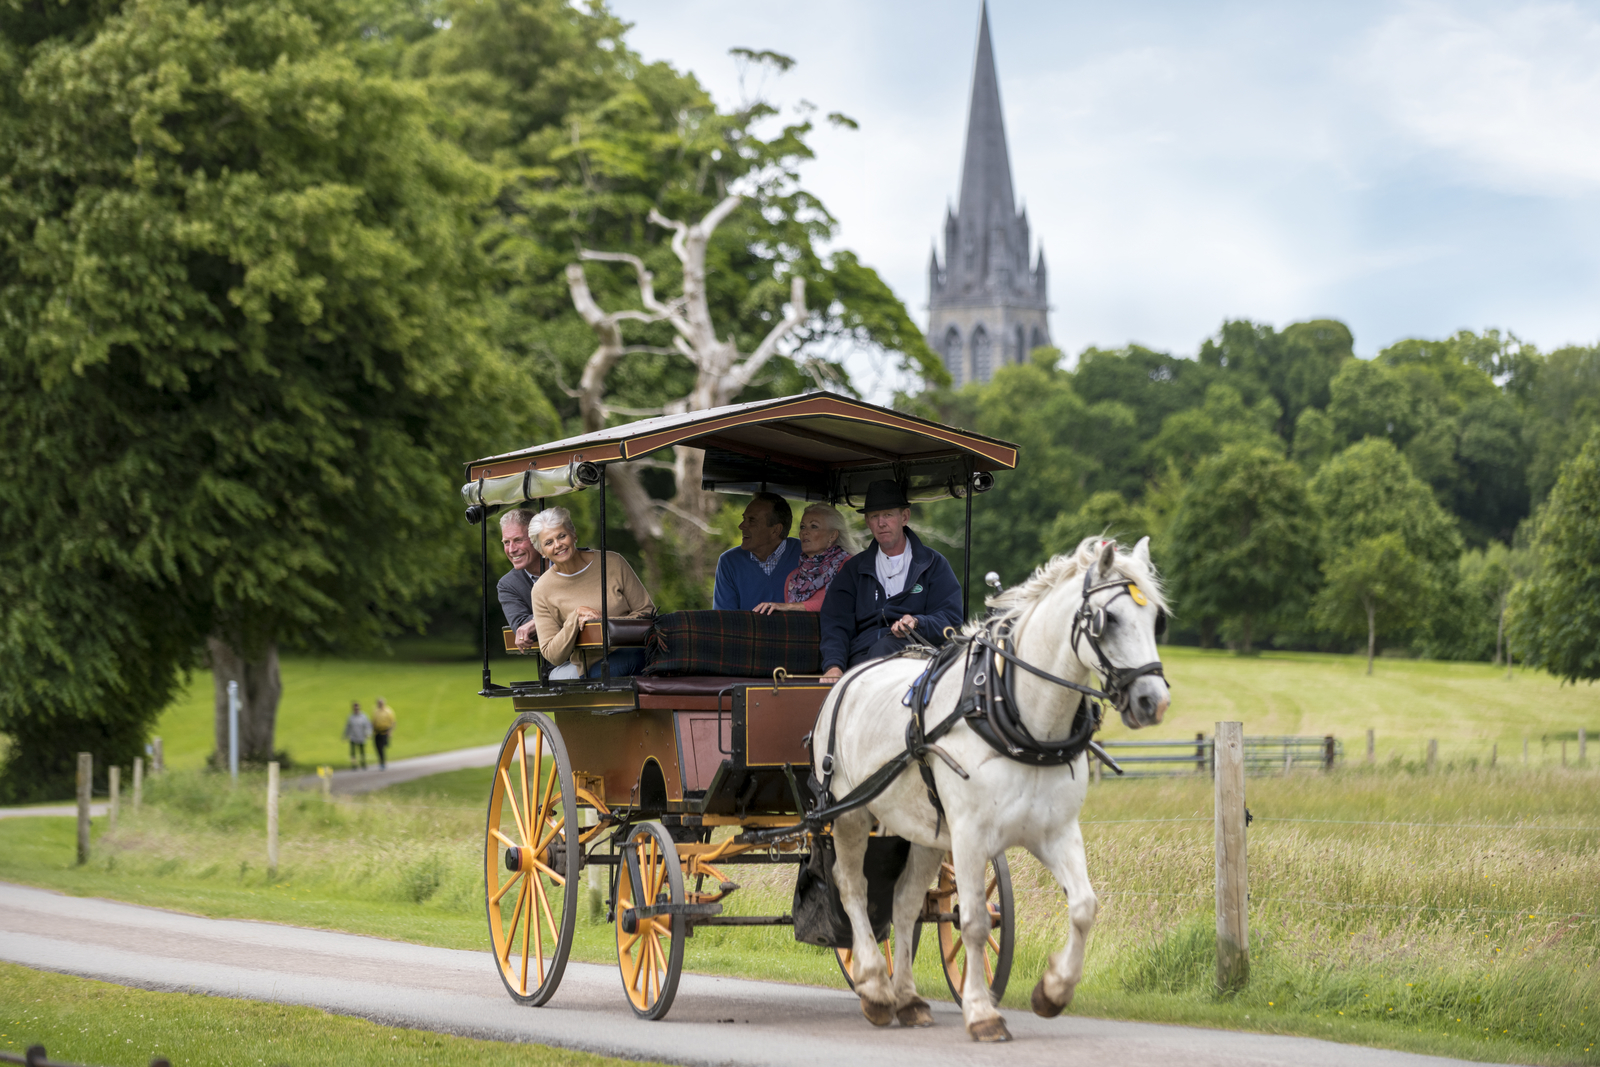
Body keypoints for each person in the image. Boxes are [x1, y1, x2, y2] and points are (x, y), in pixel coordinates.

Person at [819, 480, 963, 680]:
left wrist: (917, 623)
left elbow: (951, 619)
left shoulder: (934, 564)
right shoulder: (853, 570)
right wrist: (833, 665)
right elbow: (835, 623)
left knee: (886, 647)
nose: (881, 523)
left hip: (918, 657)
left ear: (904, 517)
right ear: (867, 522)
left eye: (888, 515)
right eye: (874, 516)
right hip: (862, 659)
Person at [528, 506, 656, 679]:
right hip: (595, 665)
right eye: (549, 543)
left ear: (574, 535)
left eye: (562, 536)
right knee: (634, 660)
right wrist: (575, 617)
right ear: (542, 552)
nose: (558, 545)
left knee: (641, 656)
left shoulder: (613, 562)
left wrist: (604, 622)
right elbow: (552, 654)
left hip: (637, 651)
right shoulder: (541, 590)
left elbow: (648, 612)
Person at [753, 503, 857, 614]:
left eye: (814, 526)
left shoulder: (849, 565)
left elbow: (838, 602)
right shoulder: (794, 577)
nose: (804, 532)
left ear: (833, 535)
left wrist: (788, 606)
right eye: (802, 527)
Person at [712, 493, 802, 610]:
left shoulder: (807, 555)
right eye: (744, 519)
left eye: (752, 520)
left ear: (775, 530)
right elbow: (724, 618)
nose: (741, 526)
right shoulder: (729, 562)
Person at [496, 508, 542, 650]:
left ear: (538, 538)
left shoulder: (566, 563)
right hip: (558, 660)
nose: (511, 550)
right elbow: (522, 628)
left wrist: (535, 622)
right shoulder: (508, 584)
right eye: (506, 542)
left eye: (518, 540)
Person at [342, 702, 373, 769]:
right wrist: (345, 736)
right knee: (353, 752)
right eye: (355, 708)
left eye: (357, 708)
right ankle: (354, 764)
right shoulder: (351, 717)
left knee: (362, 751)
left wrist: (368, 733)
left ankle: (363, 763)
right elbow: (348, 727)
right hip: (353, 737)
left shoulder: (363, 716)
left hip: (361, 736)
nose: (356, 710)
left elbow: (368, 725)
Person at [370, 697, 396, 771]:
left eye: (381, 703)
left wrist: (390, 731)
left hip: (385, 731)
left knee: (383, 747)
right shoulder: (375, 711)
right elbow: (373, 722)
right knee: (378, 748)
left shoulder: (388, 711)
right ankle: (381, 761)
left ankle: (383, 761)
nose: (380, 704)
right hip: (377, 732)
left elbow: (393, 722)